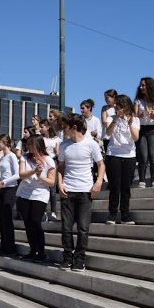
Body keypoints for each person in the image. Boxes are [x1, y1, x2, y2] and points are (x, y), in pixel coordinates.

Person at [57, 113, 105, 272]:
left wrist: (98, 183)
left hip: (85, 191)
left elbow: (101, 165)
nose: (63, 130)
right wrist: (60, 183)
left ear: (74, 127)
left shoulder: (91, 144)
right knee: (66, 227)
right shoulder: (63, 146)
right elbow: (61, 167)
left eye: (65, 127)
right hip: (68, 190)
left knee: (83, 228)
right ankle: (67, 257)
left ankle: (80, 259)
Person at [16, 136, 56, 262]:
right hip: (24, 193)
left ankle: (41, 252)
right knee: (28, 223)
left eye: (30, 144)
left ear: (37, 145)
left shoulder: (49, 160)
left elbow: (51, 182)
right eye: (27, 144)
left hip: (40, 193)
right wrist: (34, 171)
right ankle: (33, 251)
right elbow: (22, 175)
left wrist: (40, 177)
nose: (28, 147)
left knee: (35, 221)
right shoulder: (25, 157)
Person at [105, 95, 140, 225]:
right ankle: (112, 214)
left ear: (125, 107)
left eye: (118, 107)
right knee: (115, 186)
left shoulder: (134, 119)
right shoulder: (111, 117)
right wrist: (115, 119)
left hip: (129, 155)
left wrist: (130, 124)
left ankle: (125, 214)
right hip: (113, 154)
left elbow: (135, 138)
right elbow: (108, 133)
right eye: (115, 107)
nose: (116, 109)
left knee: (126, 187)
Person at [134, 77, 154, 188]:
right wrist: (138, 116)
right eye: (140, 85)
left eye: (143, 85)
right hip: (141, 130)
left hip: (152, 129)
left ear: (150, 86)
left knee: (152, 155)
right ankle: (142, 180)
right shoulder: (138, 100)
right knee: (143, 156)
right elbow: (134, 115)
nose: (141, 87)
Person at [0, 134, 20, 256]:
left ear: (5, 142)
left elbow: (17, 174)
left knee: (7, 218)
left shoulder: (11, 156)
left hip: (10, 188)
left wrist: (3, 182)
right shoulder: (3, 157)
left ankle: (10, 247)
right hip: (2, 188)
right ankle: (3, 245)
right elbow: (3, 173)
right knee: (0, 218)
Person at [40, 120, 62, 222]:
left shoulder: (56, 139)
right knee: (44, 187)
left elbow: (58, 153)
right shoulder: (41, 139)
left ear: (48, 127)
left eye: (42, 127)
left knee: (53, 189)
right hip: (43, 161)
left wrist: (57, 152)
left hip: (53, 161)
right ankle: (43, 212)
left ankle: (53, 212)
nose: (40, 129)